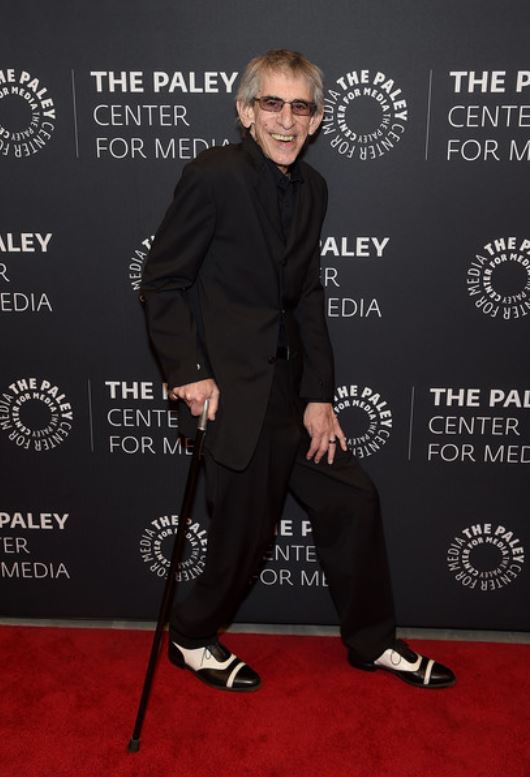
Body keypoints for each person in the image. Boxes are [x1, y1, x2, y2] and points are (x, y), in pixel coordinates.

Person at [141, 49, 455, 692]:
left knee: (353, 500)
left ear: (317, 120)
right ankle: (191, 635)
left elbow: (307, 294)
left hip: (291, 391)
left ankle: (373, 642)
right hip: (232, 393)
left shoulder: (314, 189)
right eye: (272, 104)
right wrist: (189, 371)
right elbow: (163, 281)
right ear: (245, 111)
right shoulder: (212, 176)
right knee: (245, 535)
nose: (286, 120)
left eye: (300, 107)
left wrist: (318, 394)